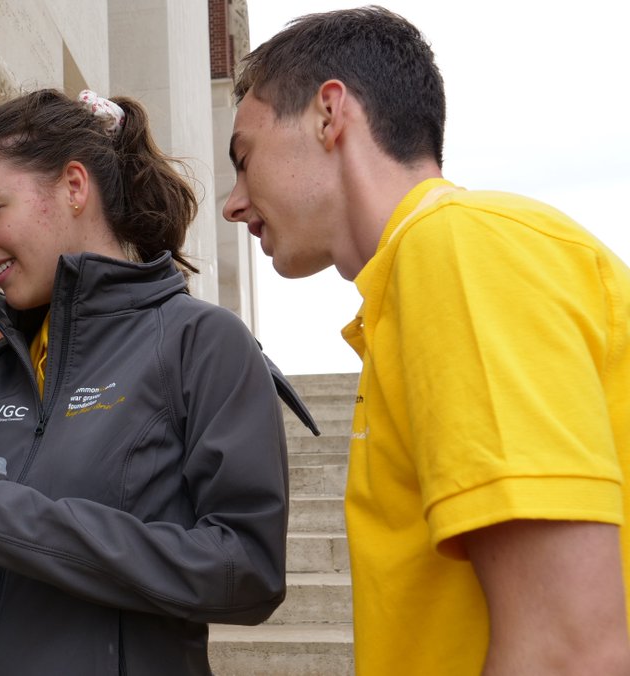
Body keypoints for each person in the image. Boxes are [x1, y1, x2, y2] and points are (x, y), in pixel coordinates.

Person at [222, 6, 630, 675]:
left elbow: (567, 652)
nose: (233, 202)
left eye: (244, 159)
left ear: (330, 115)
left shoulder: (456, 251)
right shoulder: (430, 270)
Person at [0, 88, 304, 675]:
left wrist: (0, 518)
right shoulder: (1, 368)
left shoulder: (201, 342)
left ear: (74, 186)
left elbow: (248, 573)